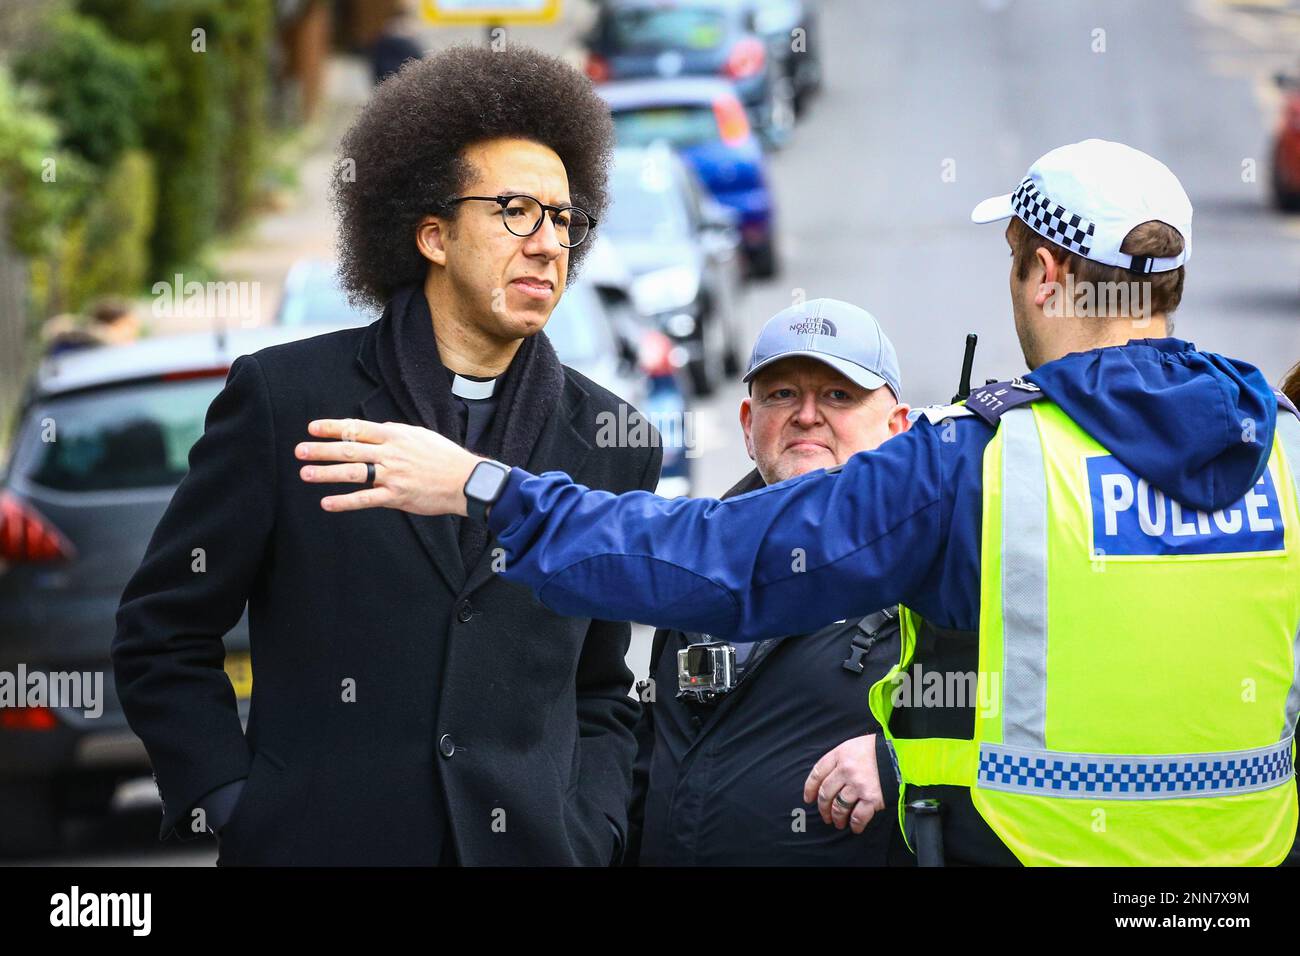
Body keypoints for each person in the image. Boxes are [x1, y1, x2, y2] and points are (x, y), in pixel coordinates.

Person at [296, 139, 1300, 866]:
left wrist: (485, 484)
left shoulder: (977, 463)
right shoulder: (1286, 451)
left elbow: (713, 559)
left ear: (1041, 273)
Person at [113, 44, 662, 866]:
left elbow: (601, 690)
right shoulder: (286, 401)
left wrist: (590, 829)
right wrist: (237, 803)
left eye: (564, 218)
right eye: (515, 210)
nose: (549, 243)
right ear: (433, 235)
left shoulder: (613, 443)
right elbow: (162, 629)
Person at [628, 299, 910, 866]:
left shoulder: (938, 564)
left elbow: (1021, 724)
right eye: (782, 394)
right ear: (747, 424)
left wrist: (899, 765)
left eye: (839, 395)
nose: (807, 415)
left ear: (896, 427)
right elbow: (650, 749)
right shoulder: (695, 557)